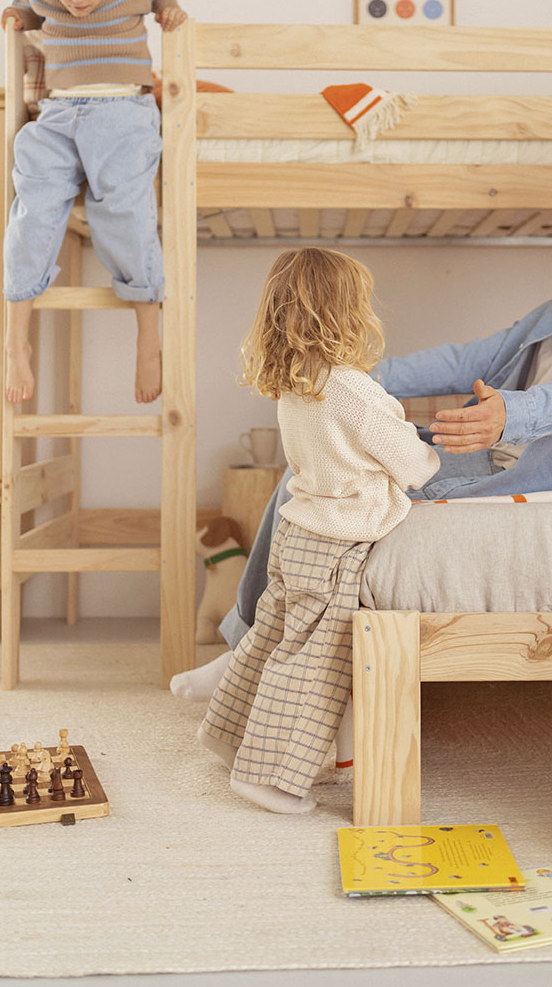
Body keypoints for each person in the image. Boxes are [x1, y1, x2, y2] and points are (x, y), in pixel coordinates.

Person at [172, 150, 552, 701]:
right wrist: (342, 374)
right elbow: (464, 360)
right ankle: (246, 646)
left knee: (341, 492)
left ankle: (250, 658)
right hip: (488, 451)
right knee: (307, 479)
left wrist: (508, 416)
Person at [196, 248, 439, 813]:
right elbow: (411, 461)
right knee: (311, 664)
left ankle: (227, 734)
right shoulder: (350, 388)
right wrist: (429, 455)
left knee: (270, 640)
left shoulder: (298, 381)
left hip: (297, 532)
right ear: (346, 313)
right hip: (333, 544)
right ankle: (266, 776)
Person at [1, 0, 187, 404]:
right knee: (30, 212)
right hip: (58, 115)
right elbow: (25, 3)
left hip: (123, 110)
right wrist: (17, 18)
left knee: (125, 212)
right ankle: (16, 338)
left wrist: (167, 5)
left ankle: (148, 336)